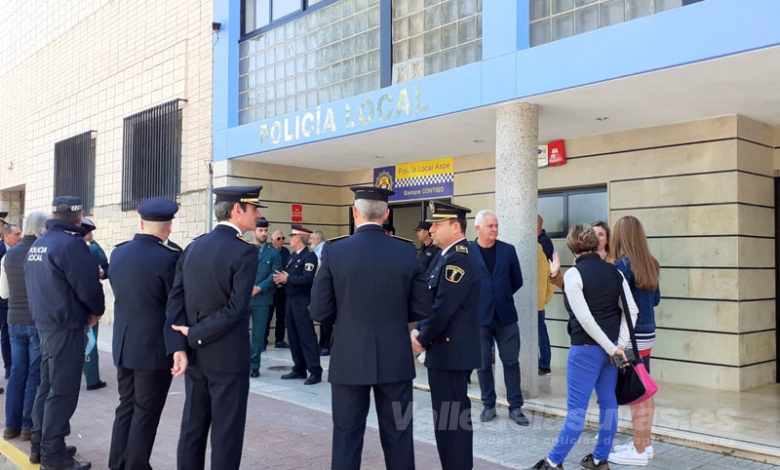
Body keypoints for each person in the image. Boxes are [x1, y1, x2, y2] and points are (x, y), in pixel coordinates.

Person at [310, 186, 430, 470]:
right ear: (386, 214)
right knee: (400, 435)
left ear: (354, 213)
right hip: (396, 361)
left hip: (349, 359)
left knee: (346, 436)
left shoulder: (335, 252)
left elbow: (319, 310)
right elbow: (422, 307)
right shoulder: (405, 251)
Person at [165, 185, 264, 470]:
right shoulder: (245, 252)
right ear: (237, 210)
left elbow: (175, 302)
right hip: (228, 356)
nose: (257, 215)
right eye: (254, 209)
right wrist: (193, 335)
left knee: (192, 427)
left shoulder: (194, 247)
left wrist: (180, 346)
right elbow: (236, 309)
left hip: (195, 355)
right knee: (226, 433)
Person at [528, 224, 637, 470]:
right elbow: (632, 310)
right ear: (595, 244)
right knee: (608, 403)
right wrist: (618, 346)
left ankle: (554, 461)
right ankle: (600, 460)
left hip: (585, 350)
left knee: (576, 410)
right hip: (611, 352)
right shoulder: (615, 272)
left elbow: (585, 319)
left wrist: (613, 348)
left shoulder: (576, 274)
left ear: (572, 246)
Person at [25, 196, 105, 470]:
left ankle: (41, 444)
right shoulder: (71, 244)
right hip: (66, 325)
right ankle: (54, 455)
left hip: (45, 324)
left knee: (46, 387)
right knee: (62, 392)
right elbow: (88, 287)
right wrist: (96, 311)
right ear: (79, 218)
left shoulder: (40, 242)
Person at [107, 198, 182, 470]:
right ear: (169, 227)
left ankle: (117, 463)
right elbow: (175, 305)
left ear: (141, 223)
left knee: (126, 405)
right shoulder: (170, 257)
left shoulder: (119, 253)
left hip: (124, 342)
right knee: (146, 411)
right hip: (152, 347)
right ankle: (136, 465)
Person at [411, 201, 480, 470]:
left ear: (455, 226)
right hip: (446, 351)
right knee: (448, 420)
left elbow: (443, 307)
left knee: (452, 421)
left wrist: (422, 336)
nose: (431, 229)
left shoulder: (458, 259)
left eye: (437, 224)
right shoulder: (444, 256)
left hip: (451, 352)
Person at [608, 216, 661, 467]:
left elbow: (618, 305)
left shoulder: (622, 266)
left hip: (631, 334)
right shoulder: (651, 263)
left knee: (636, 391)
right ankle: (645, 444)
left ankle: (639, 451)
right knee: (645, 386)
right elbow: (656, 300)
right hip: (648, 333)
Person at [469, 209, 529, 426]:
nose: (495, 229)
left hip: (506, 317)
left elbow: (517, 280)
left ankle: (515, 407)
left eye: (496, 225)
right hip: (478, 318)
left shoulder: (508, 251)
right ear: (478, 228)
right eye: (490, 226)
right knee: (483, 364)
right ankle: (488, 405)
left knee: (511, 362)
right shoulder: (466, 251)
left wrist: (499, 296)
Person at [0, 211, 47, 441]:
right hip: (36, 321)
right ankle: (28, 425)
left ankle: (11, 425)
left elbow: (4, 293)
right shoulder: (42, 252)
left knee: (17, 372)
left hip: (13, 320)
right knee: (34, 374)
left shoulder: (8, 257)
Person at [273, 225, 322, 385]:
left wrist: (288, 279)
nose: (290, 239)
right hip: (290, 300)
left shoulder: (310, 257)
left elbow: (308, 279)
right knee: (293, 335)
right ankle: (299, 367)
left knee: (306, 336)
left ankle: (314, 370)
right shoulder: (293, 256)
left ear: (300, 239)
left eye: (292, 237)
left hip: (302, 301)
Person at [249, 217, 281, 377]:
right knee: (239, 332)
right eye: (260, 230)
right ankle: (241, 363)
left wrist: (259, 287)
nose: (263, 233)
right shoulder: (245, 249)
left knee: (258, 333)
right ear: (253, 231)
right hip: (243, 297)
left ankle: (254, 366)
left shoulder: (274, 252)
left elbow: (274, 274)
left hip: (262, 298)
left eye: (265, 230)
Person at [80, 219, 107, 392]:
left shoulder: (67, 249)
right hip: (88, 304)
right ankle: (92, 379)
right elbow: (104, 260)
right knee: (90, 341)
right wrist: (92, 241)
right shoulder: (91, 249)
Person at [0, 222, 22, 380]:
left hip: (18, 302)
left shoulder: (22, 251)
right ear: (6, 236)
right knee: (5, 334)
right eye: (17, 234)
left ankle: (15, 367)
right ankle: (8, 366)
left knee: (14, 334)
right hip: (2, 300)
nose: (20, 237)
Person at [309, 230, 333, 356]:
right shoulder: (318, 251)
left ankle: (326, 345)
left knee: (326, 319)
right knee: (323, 319)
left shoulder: (324, 250)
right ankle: (323, 344)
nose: (310, 241)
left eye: (312, 238)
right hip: (322, 290)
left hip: (326, 290)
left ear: (318, 239)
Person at [265, 229, 289, 349]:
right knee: (268, 315)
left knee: (281, 316)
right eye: (278, 239)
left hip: (282, 289)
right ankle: (264, 340)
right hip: (271, 289)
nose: (281, 241)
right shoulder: (267, 251)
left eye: (283, 238)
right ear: (272, 240)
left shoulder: (285, 252)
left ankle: (279, 340)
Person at [537, 243, 555, 376]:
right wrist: (545, 298)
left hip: (523, 302)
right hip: (538, 302)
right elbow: (550, 278)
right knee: (541, 333)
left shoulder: (520, 250)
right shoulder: (541, 254)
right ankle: (545, 363)